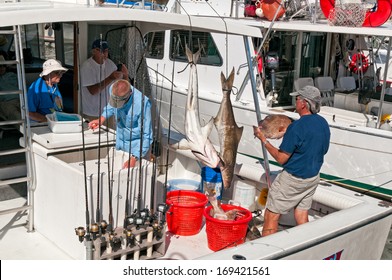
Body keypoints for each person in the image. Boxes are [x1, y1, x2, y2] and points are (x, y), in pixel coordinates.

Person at [254, 85, 330, 237]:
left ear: (303, 103)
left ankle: (266, 253)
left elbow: (281, 159)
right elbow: (324, 150)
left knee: (271, 215)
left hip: (293, 180)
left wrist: (264, 140)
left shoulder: (296, 127)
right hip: (312, 178)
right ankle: (308, 246)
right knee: (301, 216)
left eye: (297, 99)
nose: (295, 102)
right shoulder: (323, 123)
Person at [88, 79, 153, 168]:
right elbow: (111, 106)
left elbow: (147, 136)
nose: (117, 103)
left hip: (137, 149)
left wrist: (134, 157)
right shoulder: (113, 89)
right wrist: (101, 119)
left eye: (119, 102)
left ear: (129, 94)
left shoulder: (143, 104)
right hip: (120, 144)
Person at [80, 39, 128, 123]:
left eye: (106, 50)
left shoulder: (111, 64)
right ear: (94, 51)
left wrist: (125, 75)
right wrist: (110, 78)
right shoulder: (86, 67)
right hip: (92, 113)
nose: (105, 53)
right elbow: (93, 91)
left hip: (108, 112)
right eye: (101, 51)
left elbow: (120, 86)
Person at [0, 53, 20, 122]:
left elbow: (22, 87)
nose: (2, 68)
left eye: (3, 66)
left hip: (20, 100)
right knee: (17, 116)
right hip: (5, 103)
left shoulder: (12, 75)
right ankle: (27, 132)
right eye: (0, 66)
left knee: (31, 113)